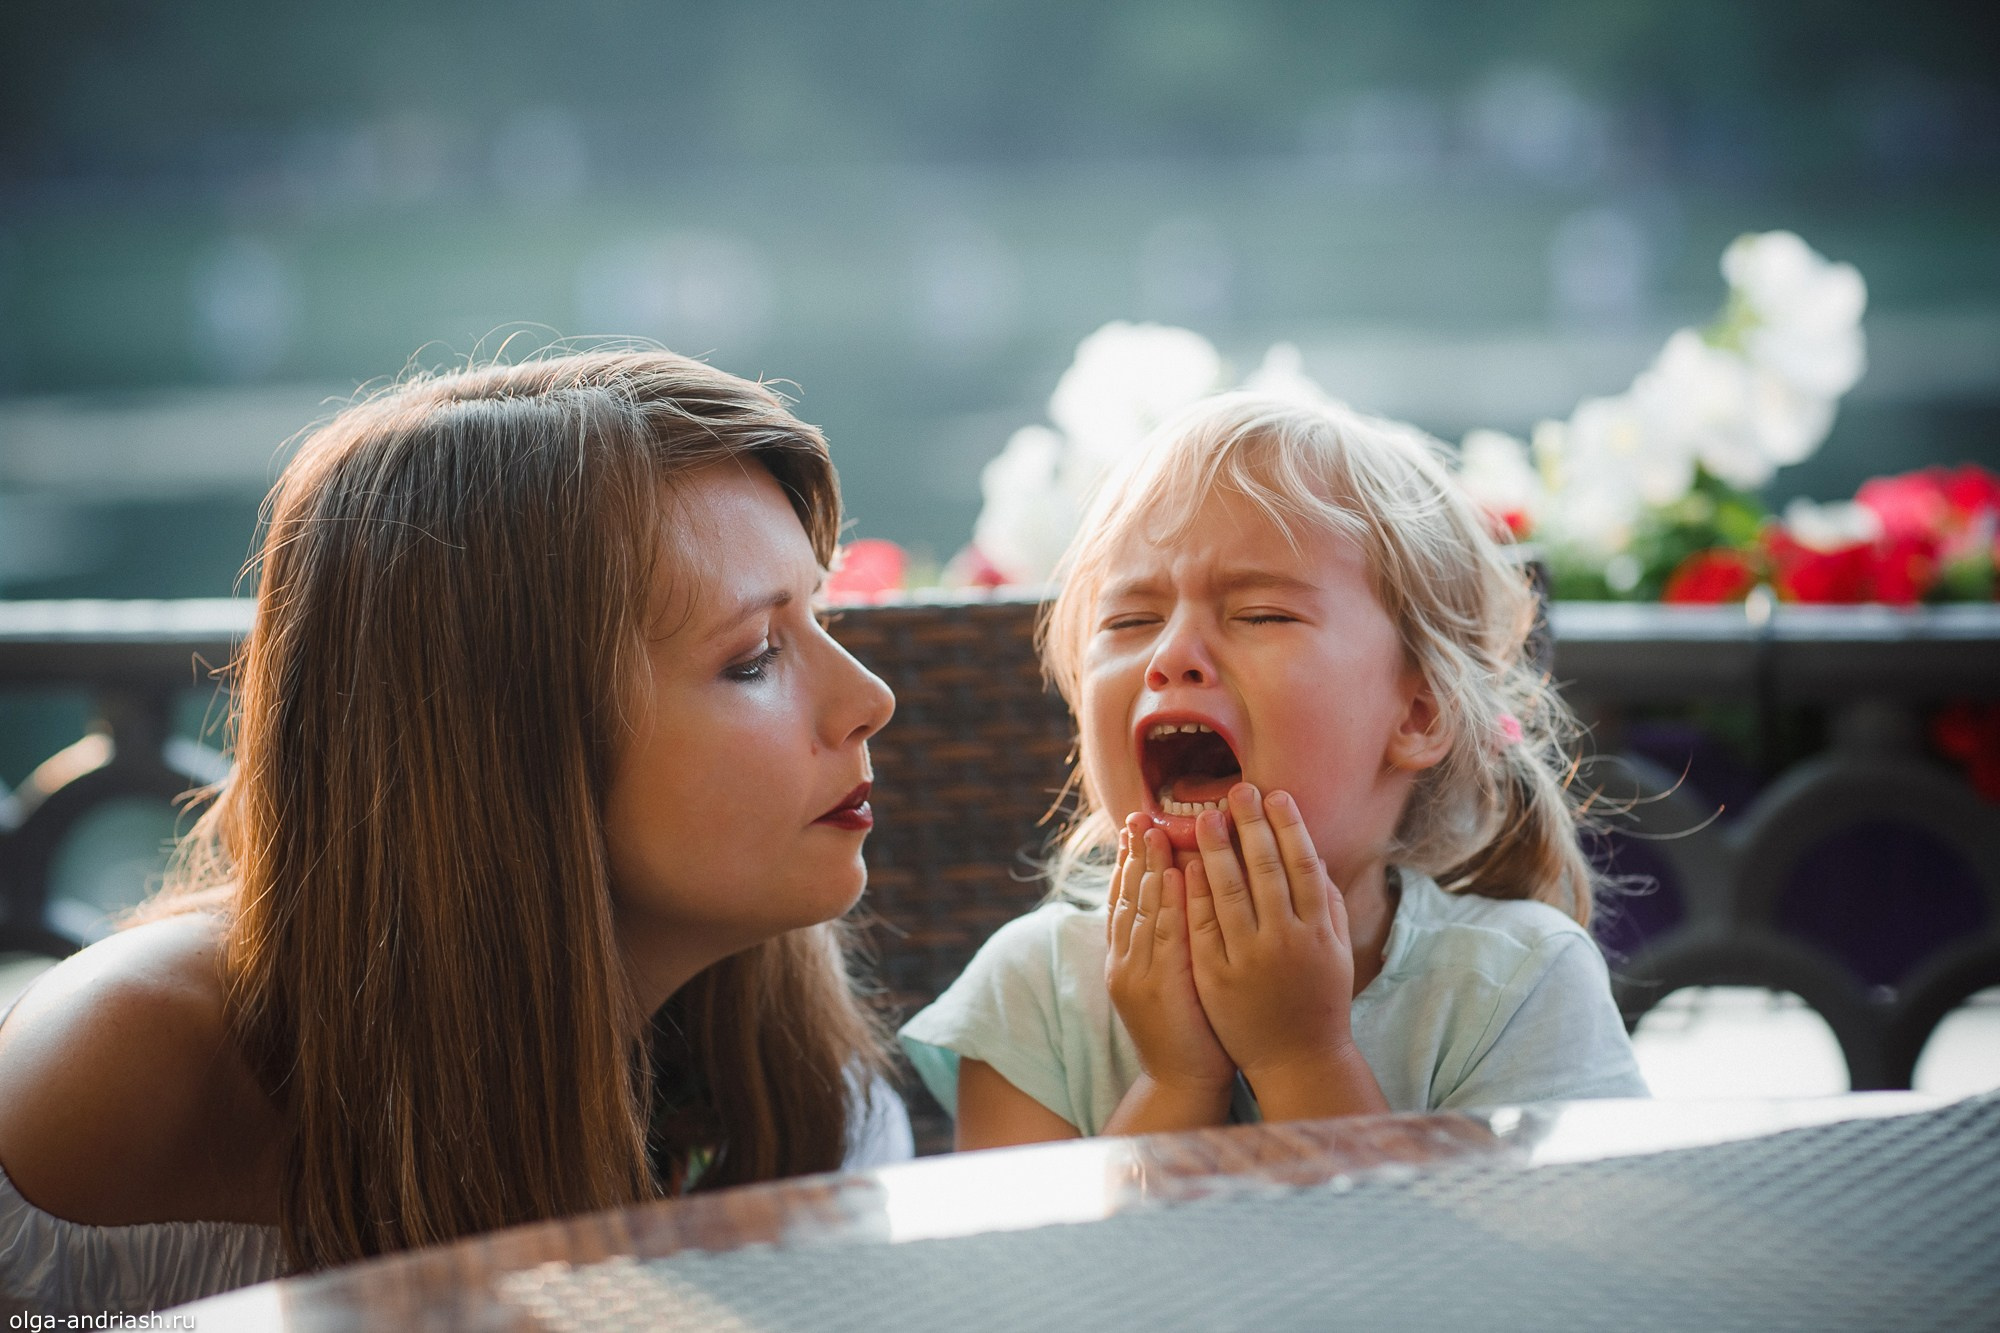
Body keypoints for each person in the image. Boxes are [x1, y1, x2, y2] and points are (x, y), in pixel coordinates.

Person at [0, 350, 910, 1316]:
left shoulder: (797, 1082)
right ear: (504, 740)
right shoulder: (124, 1077)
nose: (872, 699)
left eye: (824, 614)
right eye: (757, 656)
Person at [901, 392, 1647, 1149]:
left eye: (1260, 614)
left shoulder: (1518, 984)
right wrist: (1177, 1081)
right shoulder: (1034, 992)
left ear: (1420, 714)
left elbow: (1460, 1269)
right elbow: (1040, 1269)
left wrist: (1300, 1056)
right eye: (1130, 620)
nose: (1170, 657)